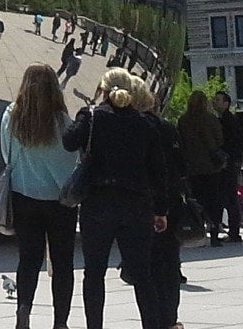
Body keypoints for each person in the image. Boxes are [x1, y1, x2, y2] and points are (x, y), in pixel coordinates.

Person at [63, 68, 167, 329]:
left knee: (94, 273)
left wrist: (86, 111)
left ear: (104, 90)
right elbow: (158, 171)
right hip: (136, 205)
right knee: (143, 275)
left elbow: (68, 141)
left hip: (98, 203)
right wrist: (161, 210)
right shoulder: (146, 123)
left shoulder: (93, 117)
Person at [0, 64, 79, 329]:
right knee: (62, 263)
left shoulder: (11, 114)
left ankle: (24, 309)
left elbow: (6, 154)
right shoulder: (61, 121)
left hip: (23, 196)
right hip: (58, 203)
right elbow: (68, 164)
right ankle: (60, 322)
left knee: (28, 259)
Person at [131, 78, 184, 329]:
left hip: (141, 205)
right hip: (169, 203)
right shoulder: (168, 128)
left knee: (146, 268)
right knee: (170, 265)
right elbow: (180, 167)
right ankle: (170, 319)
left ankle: (152, 321)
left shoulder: (131, 129)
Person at [178, 90, 225, 248]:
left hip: (193, 168)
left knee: (196, 201)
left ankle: (199, 230)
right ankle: (214, 232)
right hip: (212, 167)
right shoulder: (210, 119)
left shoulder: (183, 120)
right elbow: (220, 139)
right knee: (213, 201)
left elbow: (181, 144)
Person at [213, 90, 243, 242]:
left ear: (226, 103)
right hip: (231, 162)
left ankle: (233, 231)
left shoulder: (227, 120)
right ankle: (232, 230)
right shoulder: (224, 119)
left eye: (218, 100)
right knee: (229, 197)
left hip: (229, 163)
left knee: (229, 197)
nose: (214, 102)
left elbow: (230, 142)